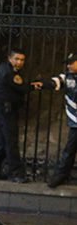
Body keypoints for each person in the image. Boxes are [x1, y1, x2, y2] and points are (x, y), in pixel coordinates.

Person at [0, 48, 42, 183]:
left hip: (0, 108)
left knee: (1, 141)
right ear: (10, 58)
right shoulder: (10, 73)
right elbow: (22, 88)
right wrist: (34, 86)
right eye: (17, 59)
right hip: (6, 110)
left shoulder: (1, 68)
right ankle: (16, 173)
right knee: (10, 141)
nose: (19, 62)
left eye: (22, 60)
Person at [38, 53, 77, 188]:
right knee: (70, 150)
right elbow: (55, 82)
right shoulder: (67, 76)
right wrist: (42, 84)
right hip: (75, 121)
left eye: (72, 62)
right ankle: (61, 175)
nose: (68, 65)